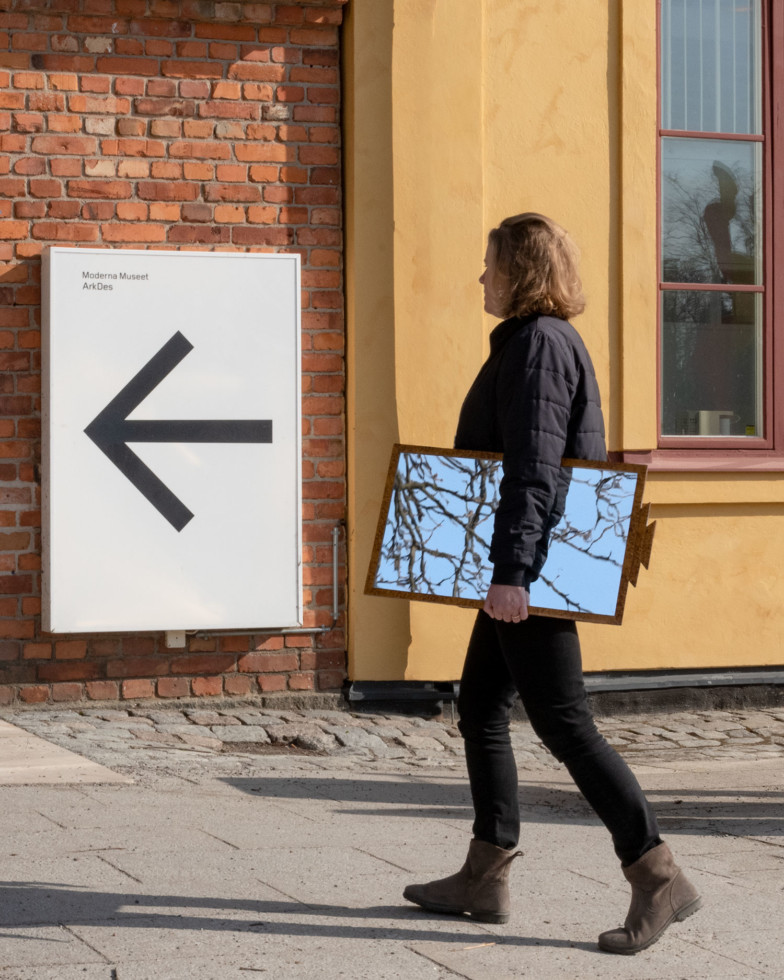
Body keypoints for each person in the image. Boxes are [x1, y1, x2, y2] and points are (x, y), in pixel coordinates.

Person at [402, 213, 702, 954]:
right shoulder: (535, 342)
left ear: (520, 272)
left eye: (490, 264)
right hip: (522, 565)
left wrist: (511, 574)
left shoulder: (538, 346)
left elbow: (535, 469)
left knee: (566, 723)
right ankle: (485, 871)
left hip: (527, 573)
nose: (481, 276)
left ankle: (657, 873)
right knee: (478, 706)